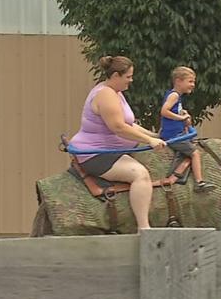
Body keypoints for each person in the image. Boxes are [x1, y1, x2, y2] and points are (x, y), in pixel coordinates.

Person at [69, 56, 166, 230]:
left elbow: (129, 123)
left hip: (112, 150)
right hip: (97, 154)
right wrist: (149, 141)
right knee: (140, 175)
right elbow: (118, 127)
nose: (131, 80)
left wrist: (155, 135)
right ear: (115, 75)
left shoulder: (116, 93)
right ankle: (144, 228)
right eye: (128, 76)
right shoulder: (105, 95)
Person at [160, 66, 216, 192]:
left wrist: (183, 114)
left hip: (178, 133)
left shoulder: (177, 97)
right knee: (195, 153)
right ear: (179, 81)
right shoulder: (174, 95)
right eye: (190, 81)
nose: (193, 85)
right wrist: (180, 118)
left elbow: (173, 110)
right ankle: (199, 182)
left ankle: (176, 176)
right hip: (173, 135)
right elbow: (164, 111)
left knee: (185, 152)